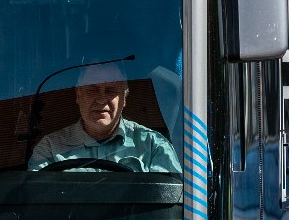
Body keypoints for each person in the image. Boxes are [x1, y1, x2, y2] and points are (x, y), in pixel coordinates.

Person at [28, 62, 180, 173]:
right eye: (92, 89)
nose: (101, 99)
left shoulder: (154, 146)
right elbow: (38, 207)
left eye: (111, 90)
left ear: (124, 98)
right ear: (78, 95)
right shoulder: (49, 149)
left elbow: (166, 209)